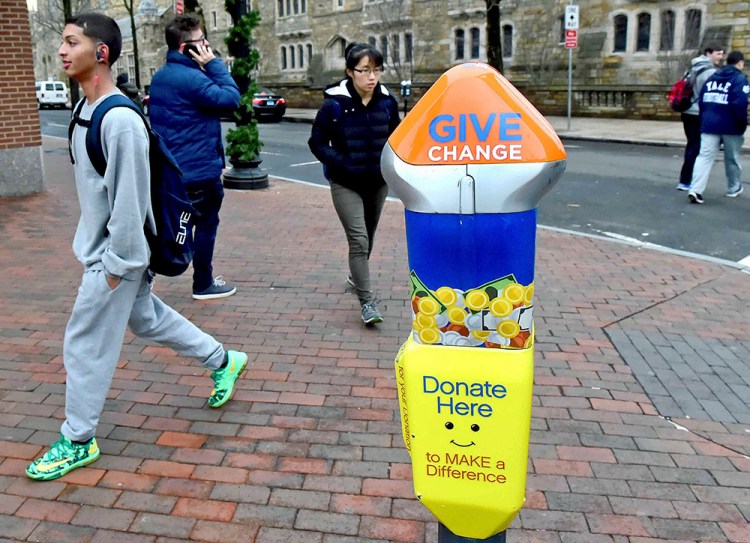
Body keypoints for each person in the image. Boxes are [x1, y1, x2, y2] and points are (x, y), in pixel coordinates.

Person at [26, 12, 249, 482]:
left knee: (84, 342)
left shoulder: (120, 119)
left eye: (71, 42)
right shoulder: (85, 109)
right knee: (148, 319)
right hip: (109, 252)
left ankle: (78, 438)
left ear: (101, 53)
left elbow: (130, 201)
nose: (63, 51)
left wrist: (116, 267)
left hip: (117, 256)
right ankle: (223, 360)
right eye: (62, 42)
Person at [149, 14, 240, 300]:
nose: (207, 45)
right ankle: (203, 282)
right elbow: (231, 99)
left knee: (175, 225)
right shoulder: (192, 78)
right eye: (200, 41)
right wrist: (214, 64)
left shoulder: (162, 76)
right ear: (184, 47)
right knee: (204, 226)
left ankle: (145, 277)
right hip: (198, 172)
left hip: (173, 171)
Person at [308, 43, 401, 325]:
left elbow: (398, 139)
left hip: (377, 182)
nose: (372, 77)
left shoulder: (387, 102)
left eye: (376, 70)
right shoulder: (334, 105)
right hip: (345, 182)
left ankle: (355, 277)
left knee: (368, 238)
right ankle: (367, 302)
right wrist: (342, 162)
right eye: (364, 70)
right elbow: (317, 142)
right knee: (359, 240)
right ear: (350, 72)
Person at [688, 50, 749, 204]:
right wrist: (742, 124)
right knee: (732, 157)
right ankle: (733, 187)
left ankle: (695, 189)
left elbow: (702, 100)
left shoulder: (713, 77)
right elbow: (740, 103)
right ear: (740, 63)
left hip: (709, 123)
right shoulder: (740, 79)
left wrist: (704, 118)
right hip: (731, 125)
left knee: (704, 157)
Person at [676, 45, 724, 191]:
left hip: (687, 111)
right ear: (709, 53)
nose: (720, 57)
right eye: (718, 53)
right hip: (698, 113)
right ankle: (687, 181)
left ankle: (686, 179)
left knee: (692, 145)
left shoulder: (691, 68)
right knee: (696, 148)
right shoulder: (710, 72)